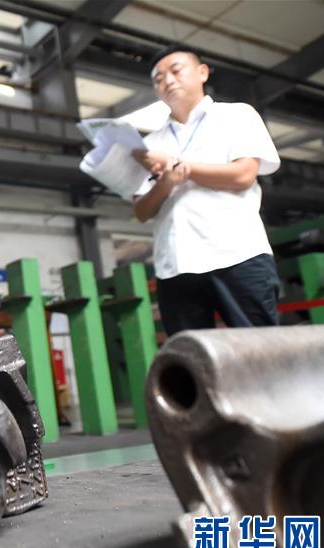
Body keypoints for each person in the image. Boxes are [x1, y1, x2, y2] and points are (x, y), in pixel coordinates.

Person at [130, 45, 281, 336]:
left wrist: (178, 165)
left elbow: (244, 175)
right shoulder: (150, 144)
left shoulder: (236, 116)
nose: (168, 81)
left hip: (237, 254)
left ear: (202, 72)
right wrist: (168, 181)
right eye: (158, 78)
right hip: (175, 265)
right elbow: (141, 210)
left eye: (175, 70)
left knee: (262, 350)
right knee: (192, 360)